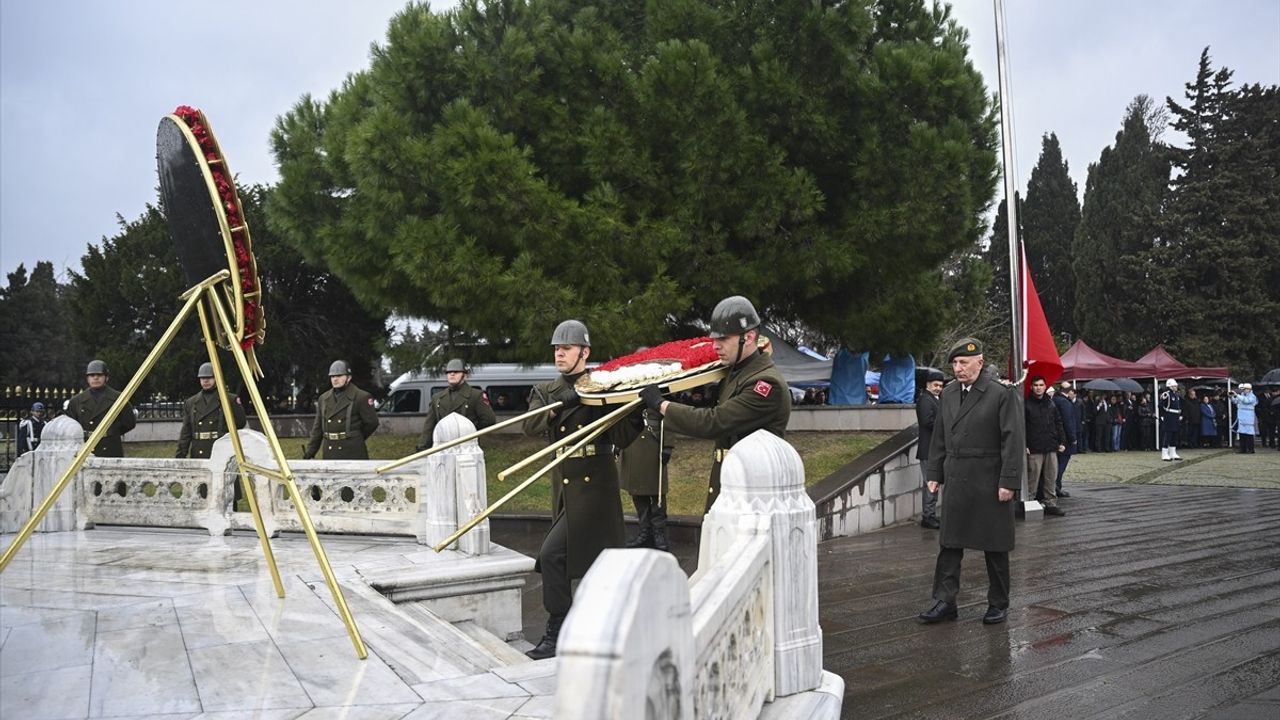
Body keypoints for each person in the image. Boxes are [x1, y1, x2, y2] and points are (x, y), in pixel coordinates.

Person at [522, 320, 640, 660]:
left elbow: (621, 438)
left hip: (596, 485)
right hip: (565, 485)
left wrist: (636, 409)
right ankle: (582, 628)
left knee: (556, 556)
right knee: (583, 560)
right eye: (557, 348)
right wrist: (567, 401)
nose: (560, 353)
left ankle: (559, 630)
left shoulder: (602, 385)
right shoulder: (547, 389)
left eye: (567, 348)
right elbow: (530, 425)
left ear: (584, 352)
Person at [640, 295, 792, 513]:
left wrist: (661, 405)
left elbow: (715, 422)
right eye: (714, 339)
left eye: (723, 339)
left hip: (752, 492)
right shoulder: (736, 372)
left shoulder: (766, 384)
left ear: (748, 337)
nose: (716, 346)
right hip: (731, 483)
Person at [917, 338, 1024, 626]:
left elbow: (1012, 440)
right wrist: (934, 474)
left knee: (995, 545)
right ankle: (945, 600)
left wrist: (1009, 481)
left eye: (963, 362)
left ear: (980, 361)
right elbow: (939, 436)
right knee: (950, 543)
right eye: (954, 363)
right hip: (957, 476)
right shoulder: (949, 393)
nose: (958, 368)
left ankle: (998, 603)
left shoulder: (1000, 393)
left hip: (989, 478)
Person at [619, 409, 674, 551]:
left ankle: (659, 532)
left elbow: (669, 416)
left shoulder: (657, 393)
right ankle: (645, 531)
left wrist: (668, 445)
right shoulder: (626, 395)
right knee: (637, 493)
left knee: (658, 494)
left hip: (653, 446)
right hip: (632, 446)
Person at [303, 360, 380, 459]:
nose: (335, 379)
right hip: (330, 451)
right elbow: (318, 428)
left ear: (348, 378)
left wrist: (355, 437)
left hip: (352, 451)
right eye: (332, 376)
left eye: (339, 376)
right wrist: (310, 452)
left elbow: (372, 423)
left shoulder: (361, 397)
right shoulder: (324, 398)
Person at [415, 358, 496, 451]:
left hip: (466, 446)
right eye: (449, 372)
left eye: (456, 372)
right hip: (442, 446)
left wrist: (470, 431)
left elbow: (489, 420)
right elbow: (429, 426)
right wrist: (422, 447)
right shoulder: (437, 398)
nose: (452, 374)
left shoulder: (475, 395)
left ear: (465, 376)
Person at [65, 359, 137, 457]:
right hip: (86, 446)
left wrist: (112, 432)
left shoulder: (118, 398)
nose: (95, 378)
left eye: (99, 375)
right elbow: (71, 426)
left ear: (106, 378)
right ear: (87, 378)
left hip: (110, 447)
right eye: (92, 375)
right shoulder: (76, 401)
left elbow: (129, 423)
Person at [176, 362, 247, 459]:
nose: (205, 381)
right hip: (198, 452)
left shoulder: (228, 399)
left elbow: (240, 423)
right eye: (202, 378)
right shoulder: (191, 402)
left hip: (220, 449)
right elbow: (186, 432)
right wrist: (180, 456)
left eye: (209, 378)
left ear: (216, 378)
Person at [1025, 376, 1067, 516]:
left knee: (1051, 477)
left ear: (1045, 387)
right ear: (1031, 387)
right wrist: (1025, 444)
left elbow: (1058, 422)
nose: (1038, 387)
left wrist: (1061, 441)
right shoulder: (1026, 404)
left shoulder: (1051, 403)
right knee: (1033, 478)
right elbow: (1022, 426)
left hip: (1050, 446)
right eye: (1035, 384)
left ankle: (1051, 503)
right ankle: (1029, 503)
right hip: (1034, 447)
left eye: (1041, 385)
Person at [916, 369, 945, 529]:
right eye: (935, 385)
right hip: (929, 449)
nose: (938, 388)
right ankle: (928, 516)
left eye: (940, 386)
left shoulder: (935, 399)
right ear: (928, 385)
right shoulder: (926, 400)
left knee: (933, 483)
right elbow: (927, 422)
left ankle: (930, 514)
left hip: (934, 449)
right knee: (930, 483)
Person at [1052, 383, 1079, 498]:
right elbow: (1068, 422)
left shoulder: (1055, 400)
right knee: (1061, 465)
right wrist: (1073, 438)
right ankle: (1056, 487)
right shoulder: (1065, 403)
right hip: (1065, 439)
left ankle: (1054, 487)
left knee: (1055, 464)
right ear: (1069, 391)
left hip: (1056, 437)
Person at [1231, 383, 1259, 454]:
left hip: (1248, 417)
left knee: (1249, 434)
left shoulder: (1252, 396)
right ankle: (1242, 449)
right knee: (1242, 433)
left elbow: (1246, 401)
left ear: (1249, 389)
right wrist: (1231, 397)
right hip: (1241, 417)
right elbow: (1235, 401)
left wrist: (1237, 395)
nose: (1243, 391)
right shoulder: (1242, 395)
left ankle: (1251, 449)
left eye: (1244, 389)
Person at [1159, 379, 1183, 461]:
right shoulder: (1166, 394)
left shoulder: (1176, 395)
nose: (1176, 387)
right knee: (1168, 435)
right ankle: (1164, 453)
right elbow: (1160, 406)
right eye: (1174, 386)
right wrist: (1162, 415)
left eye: (1176, 386)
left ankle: (1173, 452)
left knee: (1174, 435)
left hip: (1175, 416)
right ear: (1170, 386)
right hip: (1168, 416)